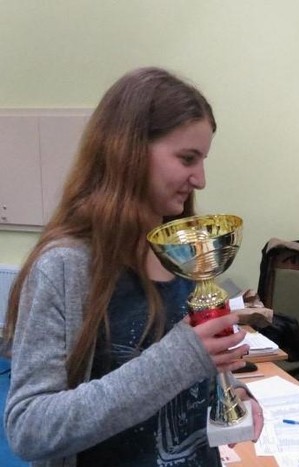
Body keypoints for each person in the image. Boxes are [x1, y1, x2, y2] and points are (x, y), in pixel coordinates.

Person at [2, 67, 264, 466]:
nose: (200, 179)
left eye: (202, 159)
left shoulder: (181, 253)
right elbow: (29, 428)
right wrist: (178, 360)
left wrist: (230, 395)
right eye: (187, 158)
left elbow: (182, 379)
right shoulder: (64, 268)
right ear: (129, 152)